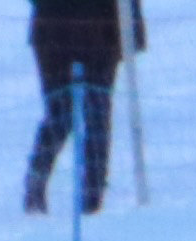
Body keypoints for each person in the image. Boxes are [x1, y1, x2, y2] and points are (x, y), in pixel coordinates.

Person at [23, 0, 136, 217]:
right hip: (56, 31)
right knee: (62, 113)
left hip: (100, 32)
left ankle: (93, 195)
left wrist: (131, 32)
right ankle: (38, 179)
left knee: (96, 114)